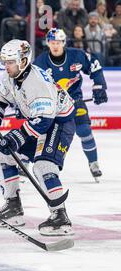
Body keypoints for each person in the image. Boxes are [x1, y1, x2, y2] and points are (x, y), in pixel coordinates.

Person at [0, 39, 76, 236]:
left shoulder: (37, 83)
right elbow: (2, 96)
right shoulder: (12, 75)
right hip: (41, 120)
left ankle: (60, 216)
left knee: (43, 166)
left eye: (10, 62)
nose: (6, 66)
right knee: (3, 155)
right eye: (4, 62)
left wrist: (16, 137)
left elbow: (43, 121)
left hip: (59, 122)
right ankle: (13, 207)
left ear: (23, 61)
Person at [34, 28, 108, 181]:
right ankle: (26, 161)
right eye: (53, 42)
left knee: (84, 129)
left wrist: (99, 86)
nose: (56, 46)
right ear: (48, 43)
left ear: (64, 43)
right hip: (52, 104)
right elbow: (31, 85)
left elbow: (95, 65)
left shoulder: (77, 55)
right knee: (40, 133)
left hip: (74, 100)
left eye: (59, 42)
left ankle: (93, 163)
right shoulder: (40, 62)